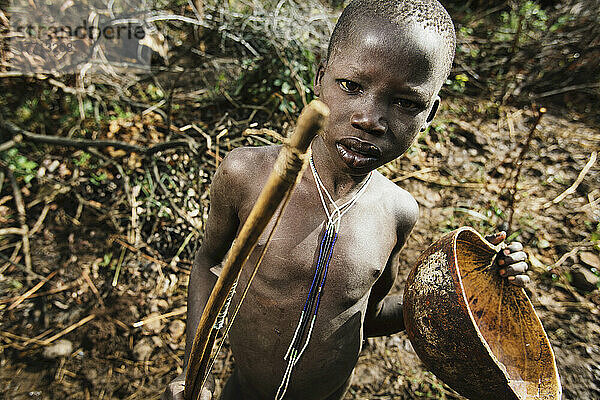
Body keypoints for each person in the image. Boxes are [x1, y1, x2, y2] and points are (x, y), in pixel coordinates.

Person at [162, 1, 530, 399]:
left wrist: (468, 294)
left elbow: (366, 316)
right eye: (351, 87)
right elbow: (207, 262)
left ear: (430, 114)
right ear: (320, 79)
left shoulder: (398, 213)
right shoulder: (248, 175)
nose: (369, 118)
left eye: (406, 103)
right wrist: (192, 373)